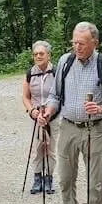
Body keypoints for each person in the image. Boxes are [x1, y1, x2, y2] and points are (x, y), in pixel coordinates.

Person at [37, 22, 102, 204]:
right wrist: (47, 112)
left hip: (95, 128)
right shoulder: (65, 61)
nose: (77, 47)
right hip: (68, 126)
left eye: (82, 43)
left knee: (94, 179)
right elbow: (55, 96)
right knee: (65, 177)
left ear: (95, 43)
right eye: (74, 42)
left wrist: (101, 108)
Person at [21, 41, 57, 195]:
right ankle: (37, 178)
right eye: (35, 54)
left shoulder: (56, 72)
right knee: (37, 148)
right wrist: (32, 111)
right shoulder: (30, 73)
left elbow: (60, 95)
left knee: (50, 148)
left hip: (53, 116)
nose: (38, 56)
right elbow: (25, 96)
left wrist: (49, 112)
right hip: (36, 116)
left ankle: (49, 178)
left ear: (49, 55)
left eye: (41, 53)